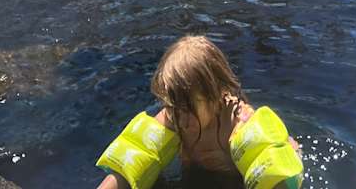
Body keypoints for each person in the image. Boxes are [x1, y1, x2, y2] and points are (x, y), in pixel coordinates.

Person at [95, 35, 304, 189]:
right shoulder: (174, 116)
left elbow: (276, 181)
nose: (181, 119)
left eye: (187, 108)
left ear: (216, 95)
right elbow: (128, 167)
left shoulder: (239, 127)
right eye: (172, 105)